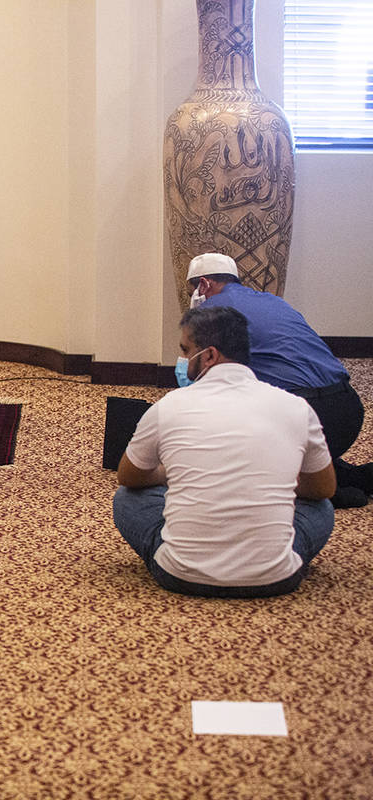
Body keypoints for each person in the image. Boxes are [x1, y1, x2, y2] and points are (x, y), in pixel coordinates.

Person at [113, 306, 335, 598]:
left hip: (179, 574)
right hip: (277, 577)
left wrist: (178, 474)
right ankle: (269, 556)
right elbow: (324, 487)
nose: (181, 360)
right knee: (322, 509)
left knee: (127, 499)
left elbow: (128, 477)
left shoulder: (169, 406)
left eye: (185, 349)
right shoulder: (296, 407)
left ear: (209, 355)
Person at [187, 251, 371, 508]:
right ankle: (354, 476)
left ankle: (324, 492)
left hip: (302, 416)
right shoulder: (273, 301)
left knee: (231, 447)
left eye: (192, 291)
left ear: (203, 284)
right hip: (348, 408)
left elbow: (202, 376)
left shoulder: (211, 312)